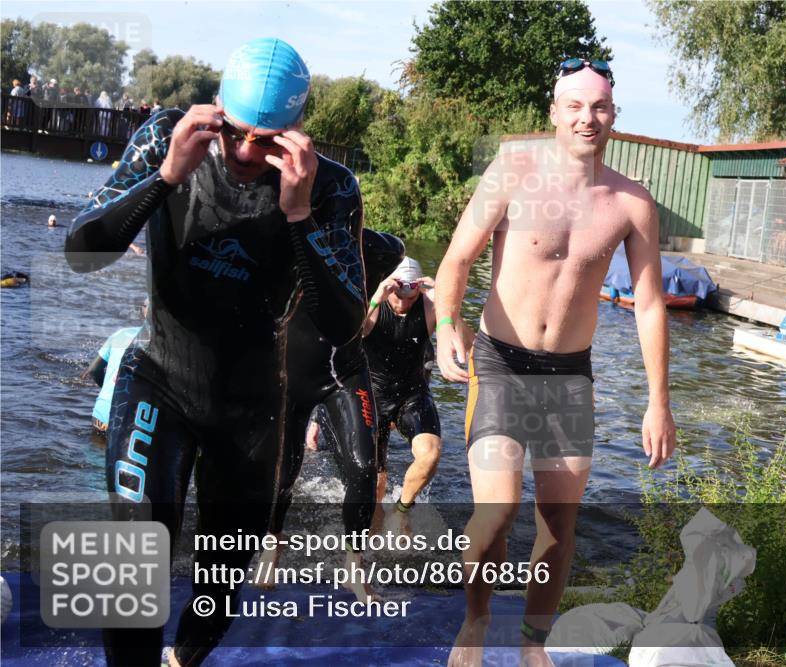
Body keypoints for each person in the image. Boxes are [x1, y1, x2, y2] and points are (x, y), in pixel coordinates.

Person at [64, 37, 366, 667]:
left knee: (221, 585)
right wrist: (166, 176)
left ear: (297, 132)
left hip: (252, 406)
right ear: (215, 109)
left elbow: (342, 324)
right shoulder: (165, 138)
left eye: (268, 140)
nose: (247, 153)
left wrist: (300, 216)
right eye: (234, 132)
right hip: (160, 379)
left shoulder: (330, 187)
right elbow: (81, 252)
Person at [435, 59, 677, 667]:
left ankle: (532, 643)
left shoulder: (632, 203)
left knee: (558, 523)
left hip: (569, 375)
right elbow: (456, 261)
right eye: (574, 106)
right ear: (554, 112)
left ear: (613, 117)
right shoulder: (514, 170)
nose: (586, 118)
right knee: (496, 513)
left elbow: (649, 306)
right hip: (499, 363)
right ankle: (476, 619)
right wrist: (444, 327)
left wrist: (659, 402)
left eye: (598, 107)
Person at [261, 229, 405, 602]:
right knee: (282, 475)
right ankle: (270, 550)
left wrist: (344, 231)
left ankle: (353, 569)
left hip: (344, 371)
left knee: (364, 468)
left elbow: (393, 249)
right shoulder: (285, 242)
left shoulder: (373, 250)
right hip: (289, 372)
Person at [364, 257, 471, 512]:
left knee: (430, 455)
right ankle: (374, 521)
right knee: (376, 482)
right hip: (373, 395)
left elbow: (468, 344)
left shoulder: (429, 307)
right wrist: (377, 298)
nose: (402, 304)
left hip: (412, 393)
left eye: (410, 299)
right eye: (397, 296)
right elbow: (349, 337)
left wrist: (446, 305)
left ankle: (402, 510)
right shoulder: (375, 303)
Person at [84, 301, 146, 432]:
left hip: (101, 414)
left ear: (143, 311)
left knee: (94, 450)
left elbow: (93, 370)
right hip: (130, 420)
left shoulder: (120, 333)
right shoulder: (162, 345)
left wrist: (111, 389)